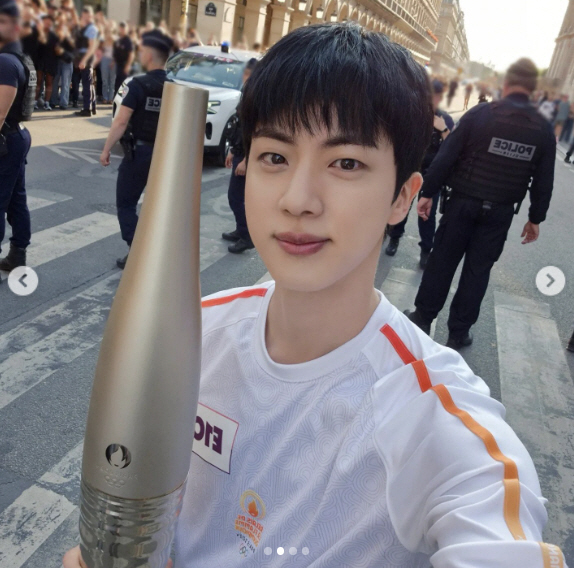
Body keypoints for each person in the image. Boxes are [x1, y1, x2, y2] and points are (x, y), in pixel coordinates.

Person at [65, 24, 567, 568]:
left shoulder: (433, 416)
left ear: (403, 196)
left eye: (345, 163)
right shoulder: (188, 338)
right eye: (275, 157)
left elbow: (498, 534)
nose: (298, 199)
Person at [405, 58, 556, 349]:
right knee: (478, 271)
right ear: (533, 90)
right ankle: (458, 332)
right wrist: (535, 218)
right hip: (499, 213)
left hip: (462, 204)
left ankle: (423, 317)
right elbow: (543, 180)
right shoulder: (542, 130)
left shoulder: (481, 114)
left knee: (442, 261)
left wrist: (427, 192)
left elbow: (447, 156)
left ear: (507, 84)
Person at [99, 29, 172, 270]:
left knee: (127, 203)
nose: (139, 55)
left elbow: (120, 121)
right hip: (165, 155)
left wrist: (106, 149)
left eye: (141, 51)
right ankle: (157, 251)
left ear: (149, 55)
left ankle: (137, 249)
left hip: (139, 154)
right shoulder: (175, 87)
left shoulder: (138, 85)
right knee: (157, 206)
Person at [385, 78, 454, 268]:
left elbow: (453, 149)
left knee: (427, 216)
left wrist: (444, 130)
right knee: (401, 206)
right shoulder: (413, 115)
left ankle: (426, 249)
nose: (434, 100)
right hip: (410, 170)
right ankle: (394, 238)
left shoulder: (445, 119)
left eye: (438, 96)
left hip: (432, 175)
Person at [0, 0, 36, 273]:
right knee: (15, 197)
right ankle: (17, 255)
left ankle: (15, 254)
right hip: (17, 136)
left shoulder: (5, 62)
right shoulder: (19, 58)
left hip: (6, 138)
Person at [222, 57, 257, 254]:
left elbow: (254, 132)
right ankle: (240, 230)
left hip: (246, 155)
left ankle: (246, 236)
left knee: (236, 197)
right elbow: (239, 126)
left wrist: (246, 160)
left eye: (245, 73)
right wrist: (232, 150)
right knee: (235, 197)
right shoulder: (247, 92)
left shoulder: (254, 95)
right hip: (240, 151)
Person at [73, 6, 98, 117]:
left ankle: (87, 109)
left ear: (90, 16)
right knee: (89, 83)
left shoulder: (91, 28)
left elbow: (91, 47)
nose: (85, 18)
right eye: (83, 16)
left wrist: (84, 60)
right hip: (84, 57)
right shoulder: (86, 27)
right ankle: (92, 107)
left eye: (87, 16)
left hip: (86, 58)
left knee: (87, 84)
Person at [49, 20, 74, 109]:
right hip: (57, 61)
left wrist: (66, 38)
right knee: (55, 82)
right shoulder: (55, 38)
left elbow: (73, 48)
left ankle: (63, 103)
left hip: (67, 62)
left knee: (65, 83)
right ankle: (53, 101)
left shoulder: (69, 38)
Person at [112, 21, 133, 95]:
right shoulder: (118, 40)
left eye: (124, 28)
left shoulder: (128, 40)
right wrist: (113, 62)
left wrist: (128, 65)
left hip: (124, 64)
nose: (122, 30)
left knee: (123, 84)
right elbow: (115, 52)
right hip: (118, 65)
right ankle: (116, 99)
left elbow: (131, 54)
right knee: (117, 83)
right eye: (121, 28)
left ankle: (122, 99)